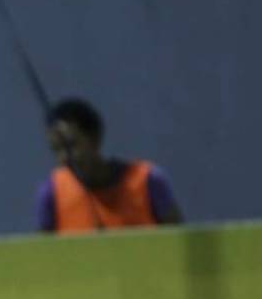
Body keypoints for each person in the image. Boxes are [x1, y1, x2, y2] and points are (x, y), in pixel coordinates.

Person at [37, 97, 182, 233]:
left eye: (71, 145)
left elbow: (179, 244)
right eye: (56, 149)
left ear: (95, 137)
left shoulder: (148, 181)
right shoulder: (52, 192)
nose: (64, 158)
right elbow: (43, 254)